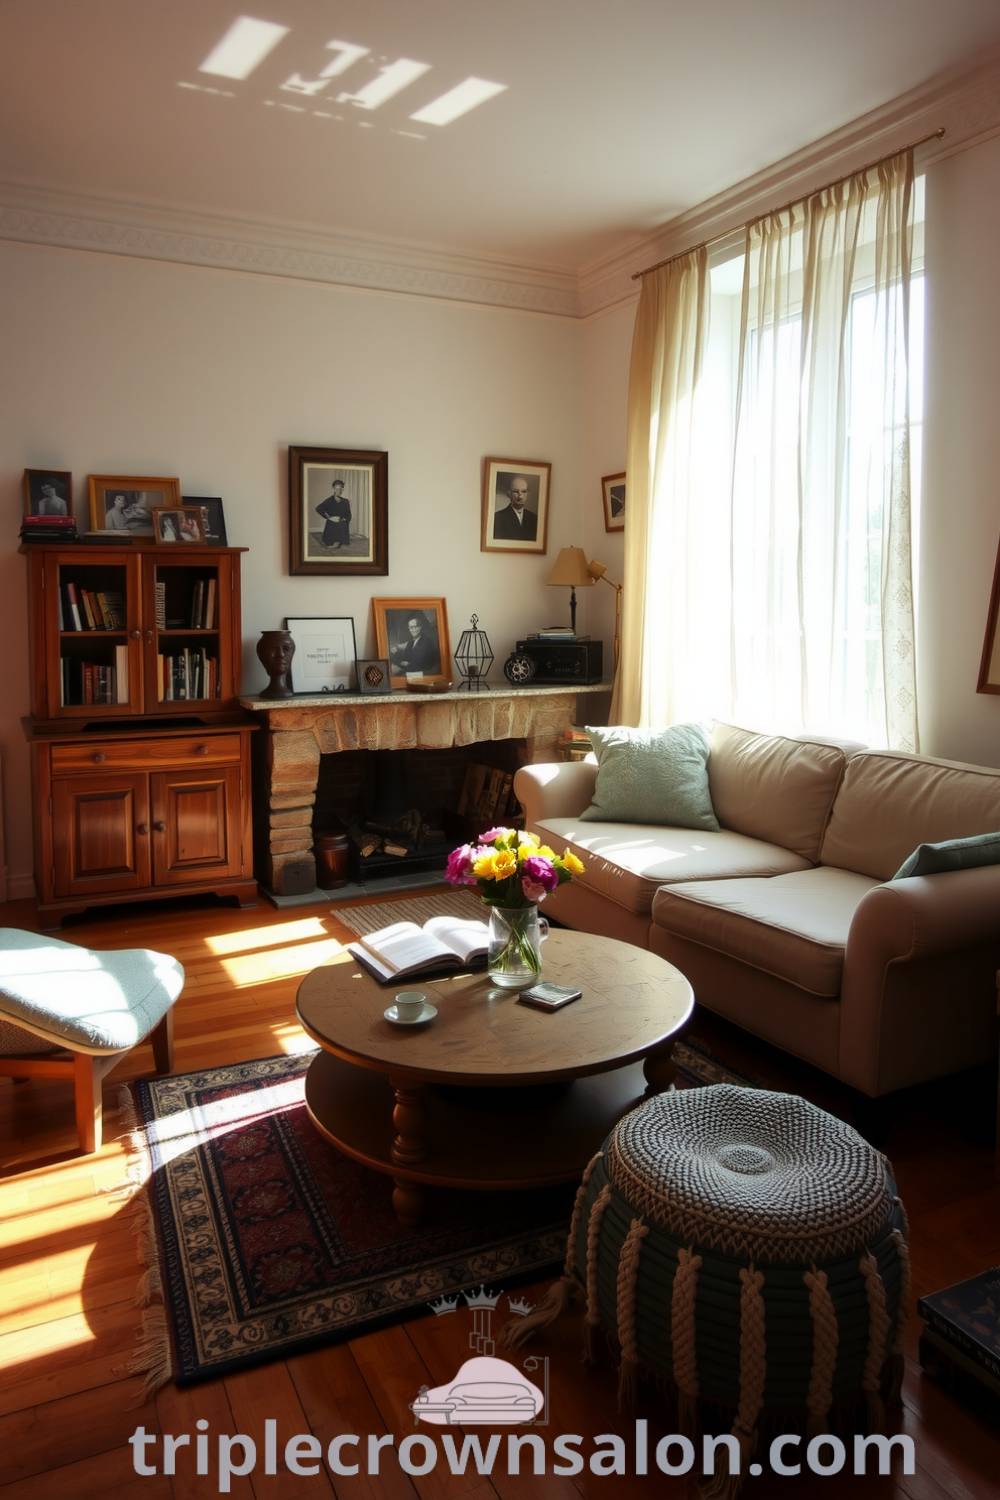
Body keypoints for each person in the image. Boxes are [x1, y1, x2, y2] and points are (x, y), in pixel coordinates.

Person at [492, 476, 537, 541]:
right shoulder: (497, 517)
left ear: (527, 494)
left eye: (524, 491)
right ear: (509, 494)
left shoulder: (534, 518)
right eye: (516, 491)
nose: (520, 495)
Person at [316, 479, 352, 549]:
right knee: (328, 542)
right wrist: (329, 517)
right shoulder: (329, 500)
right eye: (336, 489)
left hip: (341, 524)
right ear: (333, 489)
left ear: (342, 489)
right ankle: (334, 541)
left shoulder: (345, 501)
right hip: (332, 524)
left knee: (341, 524)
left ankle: (338, 542)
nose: (338, 491)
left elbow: (349, 515)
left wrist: (344, 519)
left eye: (340, 489)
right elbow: (318, 508)